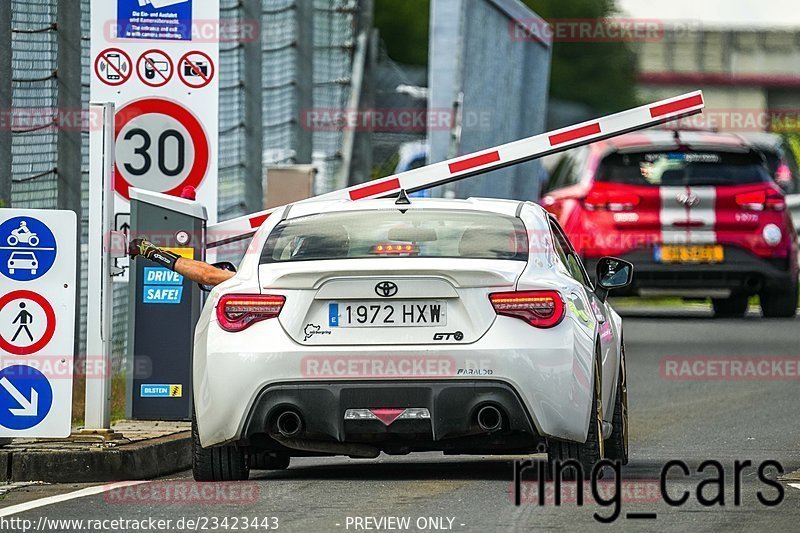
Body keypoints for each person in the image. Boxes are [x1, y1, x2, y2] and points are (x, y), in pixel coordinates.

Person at [128, 238, 234, 287]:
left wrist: (154, 253)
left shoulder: (249, 279)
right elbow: (207, 274)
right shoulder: (250, 278)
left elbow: (208, 275)